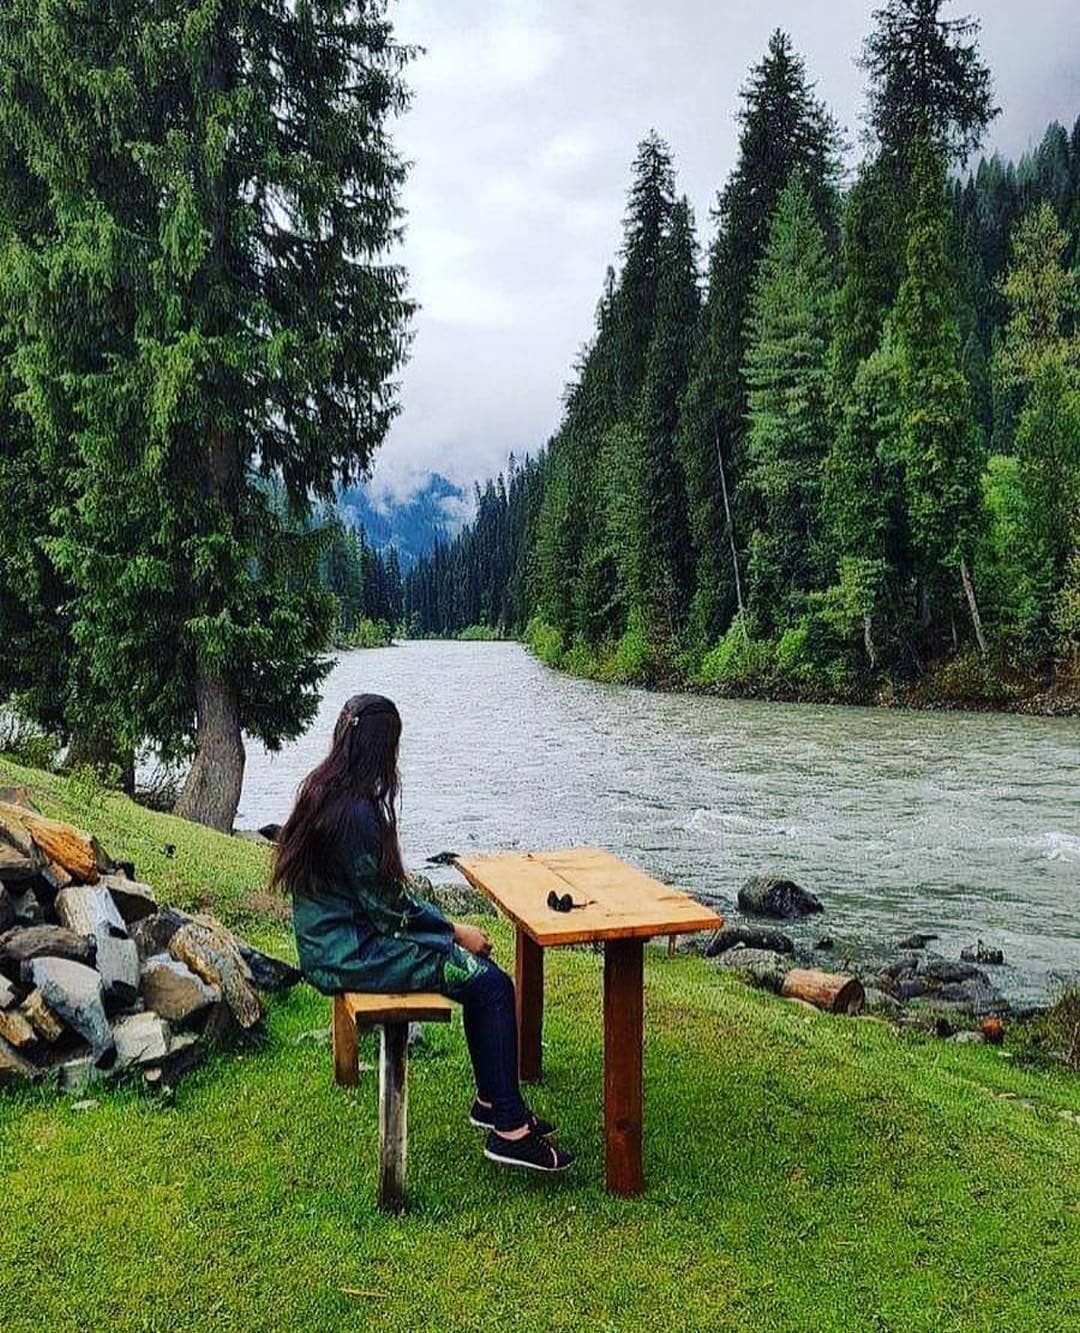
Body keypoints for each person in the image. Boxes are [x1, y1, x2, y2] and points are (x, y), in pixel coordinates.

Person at [272, 692, 574, 1173]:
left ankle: (495, 1104)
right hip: (354, 953)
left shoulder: (324, 790)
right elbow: (389, 909)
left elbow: (378, 899)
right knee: (492, 986)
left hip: (336, 943)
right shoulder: (357, 814)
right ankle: (510, 1133)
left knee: (485, 982)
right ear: (381, 748)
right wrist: (454, 932)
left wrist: (445, 936)